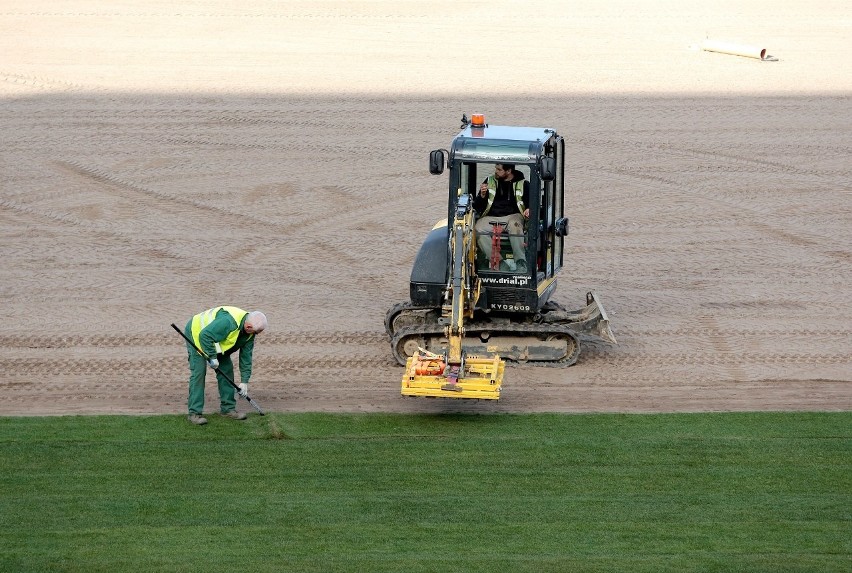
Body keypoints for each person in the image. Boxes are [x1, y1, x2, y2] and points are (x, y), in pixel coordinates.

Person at [183, 306, 268, 425]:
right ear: (249, 327)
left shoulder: (249, 334)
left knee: (226, 370)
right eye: (256, 332)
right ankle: (194, 413)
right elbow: (205, 335)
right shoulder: (228, 322)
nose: (256, 335)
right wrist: (212, 357)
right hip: (196, 334)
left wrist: (244, 381)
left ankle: (228, 409)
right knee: (199, 372)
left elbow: (246, 358)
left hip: (216, 340)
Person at [472, 163, 530, 271]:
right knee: (477, 229)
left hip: (514, 216)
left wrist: (529, 209)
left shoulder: (524, 184)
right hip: (492, 217)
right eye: (496, 168)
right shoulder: (489, 181)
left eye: (499, 169)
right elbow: (476, 206)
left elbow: (531, 203)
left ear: (508, 171)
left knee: (515, 226)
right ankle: (499, 263)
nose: (496, 171)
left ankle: (521, 262)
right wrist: (482, 196)